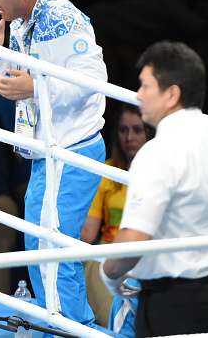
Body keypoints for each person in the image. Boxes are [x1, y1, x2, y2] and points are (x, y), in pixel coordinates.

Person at [0, 0, 108, 328]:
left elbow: (93, 81)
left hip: (72, 151)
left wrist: (36, 87)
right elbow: (11, 86)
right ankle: (61, 327)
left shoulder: (64, 21)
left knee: (54, 248)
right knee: (38, 246)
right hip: (44, 153)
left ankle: (74, 330)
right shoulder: (21, 20)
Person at [101, 41, 208, 337]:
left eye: (146, 86)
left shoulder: (157, 152)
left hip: (170, 304)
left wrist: (109, 275)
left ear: (171, 94)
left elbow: (134, 240)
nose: (138, 94)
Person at [81, 104, 152, 325]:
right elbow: (88, 234)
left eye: (137, 130)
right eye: (123, 130)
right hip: (108, 256)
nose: (129, 137)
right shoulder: (107, 170)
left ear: (149, 133)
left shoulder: (164, 173)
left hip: (150, 258)